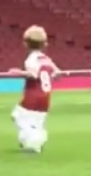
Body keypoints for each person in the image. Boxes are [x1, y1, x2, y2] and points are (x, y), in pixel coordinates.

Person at [9, 25, 60, 153]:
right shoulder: (46, 59)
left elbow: (33, 74)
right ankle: (33, 139)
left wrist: (18, 72)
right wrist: (49, 77)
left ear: (25, 44)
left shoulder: (31, 60)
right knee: (37, 121)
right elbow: (58, 72)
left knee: (17, 116)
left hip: (33, 94)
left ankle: (35, 140)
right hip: (46, 95)